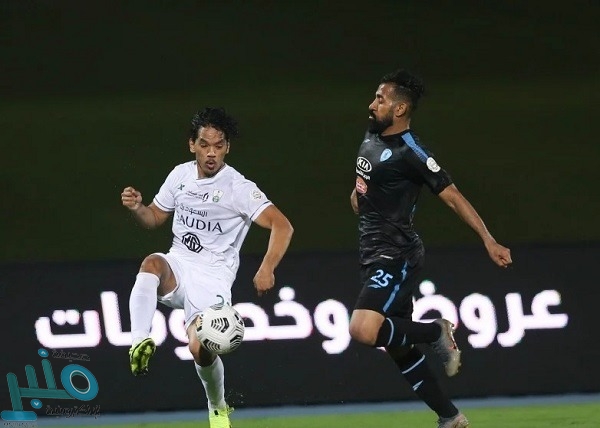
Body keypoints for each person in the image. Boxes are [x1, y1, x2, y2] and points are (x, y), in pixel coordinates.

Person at [349, 69, 512, 428]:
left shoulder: (412, 152)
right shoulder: (372, 135)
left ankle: (435, 332)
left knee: (363, 329)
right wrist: (362, 196)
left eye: (380, 99)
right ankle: (450, 417)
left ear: (400, 109)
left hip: (396, 254)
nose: (372, 104)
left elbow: (452, 196)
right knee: (397, 345)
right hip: (372, 252)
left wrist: (488, 239)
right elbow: (367, 183)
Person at [121, 107, 294, 428]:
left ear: (227, 147)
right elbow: (154, 218)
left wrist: (267, 267)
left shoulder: (238, 188)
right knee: (151, 263)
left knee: (199, 347)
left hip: (213, 277)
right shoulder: (180, 175)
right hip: (179, 263)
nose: (211, 153)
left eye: (218, 146)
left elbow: (282, 226)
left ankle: (217, 406)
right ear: (192, 145)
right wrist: (138, 208)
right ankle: (138, 343)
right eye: (204, 145)